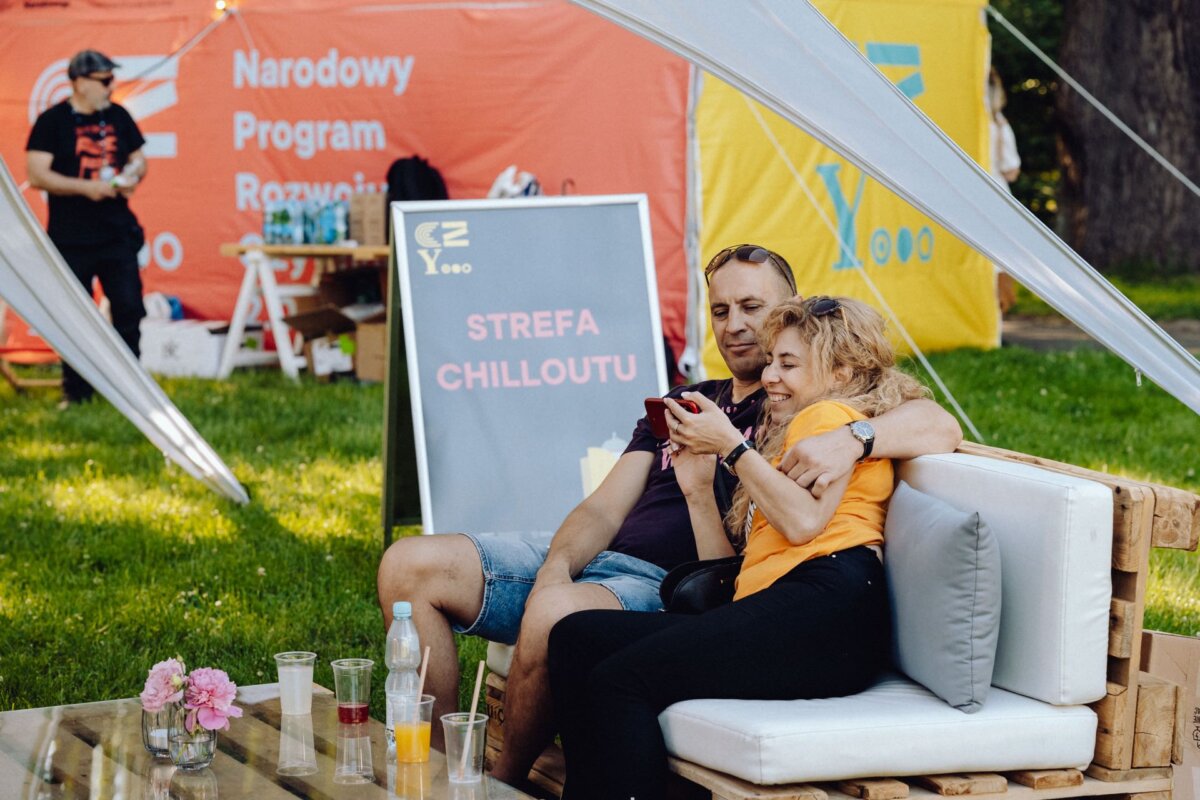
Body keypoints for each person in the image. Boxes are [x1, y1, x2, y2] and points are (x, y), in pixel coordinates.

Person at [376, 244, 962, 786]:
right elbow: (604, 507)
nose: (734, 324)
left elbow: (934, 423)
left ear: (789, 311)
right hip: (606, 562)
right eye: (721, 309)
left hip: (670, 584)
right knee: (410, 565)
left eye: (752, 307)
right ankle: (433, 772)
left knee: (568, 624)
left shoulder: (798, 402)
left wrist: (851, 438)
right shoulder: (687, 399)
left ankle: (504, 784)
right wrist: (558, 565)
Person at [547, 295, 929, 799]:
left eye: (788, 363)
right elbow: (732, 575)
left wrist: (732, 446)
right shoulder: (810, 430)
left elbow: (803, 522)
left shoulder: (827, 421)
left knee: (622, 681)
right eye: (771, 360)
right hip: (800, 611)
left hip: (829, 605)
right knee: (577, 635)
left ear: (839, 371)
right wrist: (697, 489)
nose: (770, 374)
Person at [25, 49, 148, 407]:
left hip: (116, 233)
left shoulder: (119, 116)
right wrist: (87, 188)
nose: (111, 87)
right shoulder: (52, 122)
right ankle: (76, 392)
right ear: (79, 82)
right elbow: (36, 173)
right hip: (71, 237)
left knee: (128, 308)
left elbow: (139, 158)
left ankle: (131, 391)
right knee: (75, 317)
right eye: (104, 80)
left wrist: (133, 174)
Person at [987, 66, 1021, 314]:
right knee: (997, 257)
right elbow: (1011, 168)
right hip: (995, 191)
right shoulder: (998, 124)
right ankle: (998, 307)